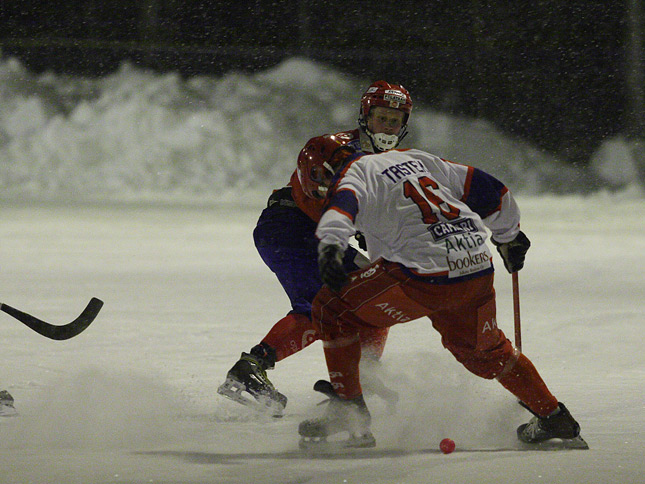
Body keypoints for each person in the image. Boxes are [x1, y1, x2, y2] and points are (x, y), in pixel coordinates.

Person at [297, 140, 585, 449]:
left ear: (322, 171)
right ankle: (553, 416)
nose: (324, 191)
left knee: (331, 308)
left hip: (424, 275)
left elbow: (341, 208)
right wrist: (508, 236)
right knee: (486, 353)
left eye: (320, 184)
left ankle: (350, 413)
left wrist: (330, 247)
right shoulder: (417, 158)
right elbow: (492, 190)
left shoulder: (353, 174)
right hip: (474, 266)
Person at [217, 81, 414, 415]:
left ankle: (360, 377)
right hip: (290, 228)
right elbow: (320, 196)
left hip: (325, 238)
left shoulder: (395, 164)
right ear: (366, 116)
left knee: (378, 296)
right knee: (321, 307)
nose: (388, 127)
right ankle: (252, 368)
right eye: (383, 118)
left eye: (395, 121)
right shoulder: (330, 148)